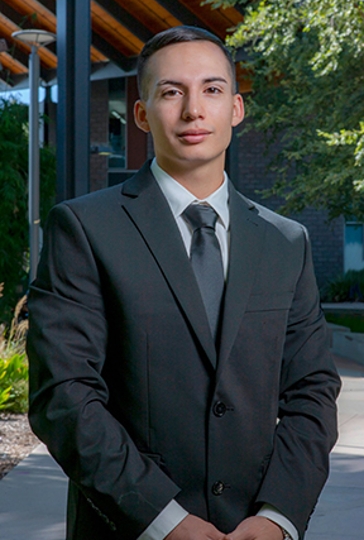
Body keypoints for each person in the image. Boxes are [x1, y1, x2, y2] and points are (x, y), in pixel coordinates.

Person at [27, 26, 341, 540]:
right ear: (142, 114)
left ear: (236, 109)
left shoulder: (287, 242)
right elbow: (64, 395)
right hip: (130, 529)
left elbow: (312, 391)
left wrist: (278, 516)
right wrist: (165, 521)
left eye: (212, 90)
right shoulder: (84, 229)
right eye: (172, 92)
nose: (194, 110)